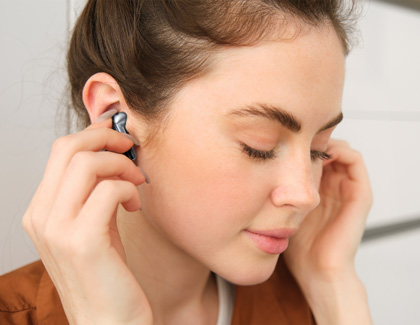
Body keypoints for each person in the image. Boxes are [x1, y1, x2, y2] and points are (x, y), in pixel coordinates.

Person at [0, 0, 373, 324]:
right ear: (115, 116)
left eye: (318, 150)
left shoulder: (304, 307)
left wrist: (334, 286)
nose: (307, 195)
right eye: (257, 146)